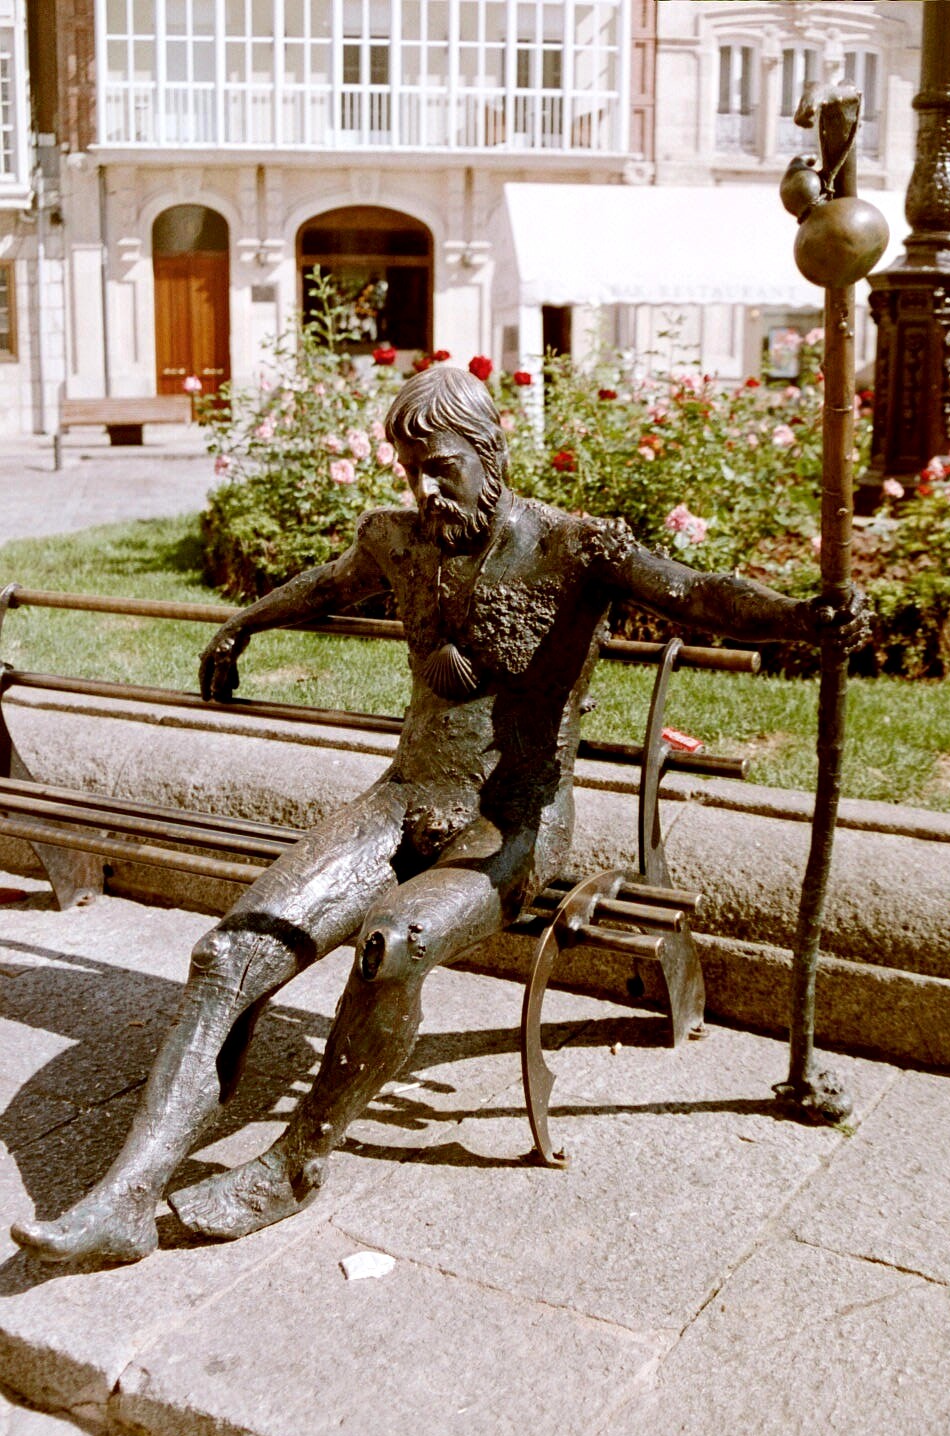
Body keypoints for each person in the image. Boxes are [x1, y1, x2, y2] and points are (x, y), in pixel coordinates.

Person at [12, 366, 867, 1266]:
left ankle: (298, 1163)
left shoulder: (577, 548)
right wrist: (242, 626)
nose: (424, 490)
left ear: (490, 453)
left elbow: (696, 593)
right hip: (398, 804)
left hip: (510, 827)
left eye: (442, 468)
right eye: (409, 470)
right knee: (228, 954)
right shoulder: (397, 540)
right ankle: (124, 1196)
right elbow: (327, 585)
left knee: (394, 944)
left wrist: (801, 619)